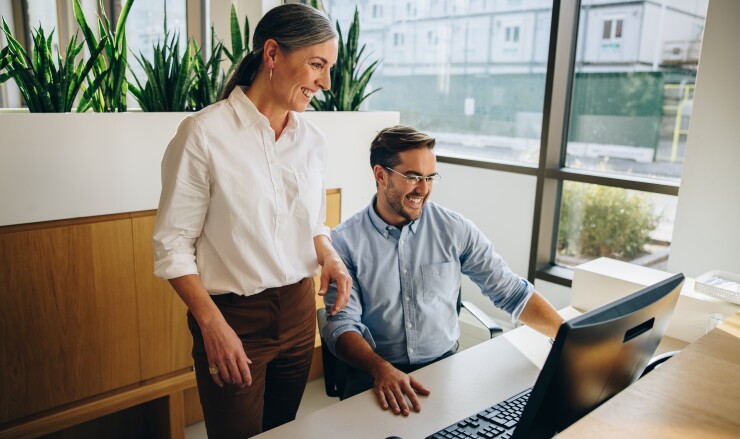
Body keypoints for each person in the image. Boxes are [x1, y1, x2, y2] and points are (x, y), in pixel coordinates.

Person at [152, 4, 352, 438]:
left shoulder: (313, 140)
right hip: (233, 317)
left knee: (281, 431)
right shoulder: (202, 135)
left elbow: (313, 223)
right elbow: (172, 247)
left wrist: (330, 255)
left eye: (329, 68)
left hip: (299, 312)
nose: (326, 82)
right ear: (273, 54)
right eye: (317, 65)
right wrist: (212, 326)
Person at [321, 125, 564, 417]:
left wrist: (568, 339)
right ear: (380, 175)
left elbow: (511, 292)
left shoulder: (453, 229)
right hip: (373, 375)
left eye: (429, 177)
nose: (424, 189)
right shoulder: (345, 241)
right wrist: (380, 369)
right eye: (412, 177)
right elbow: (342, 325)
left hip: (443, 371)